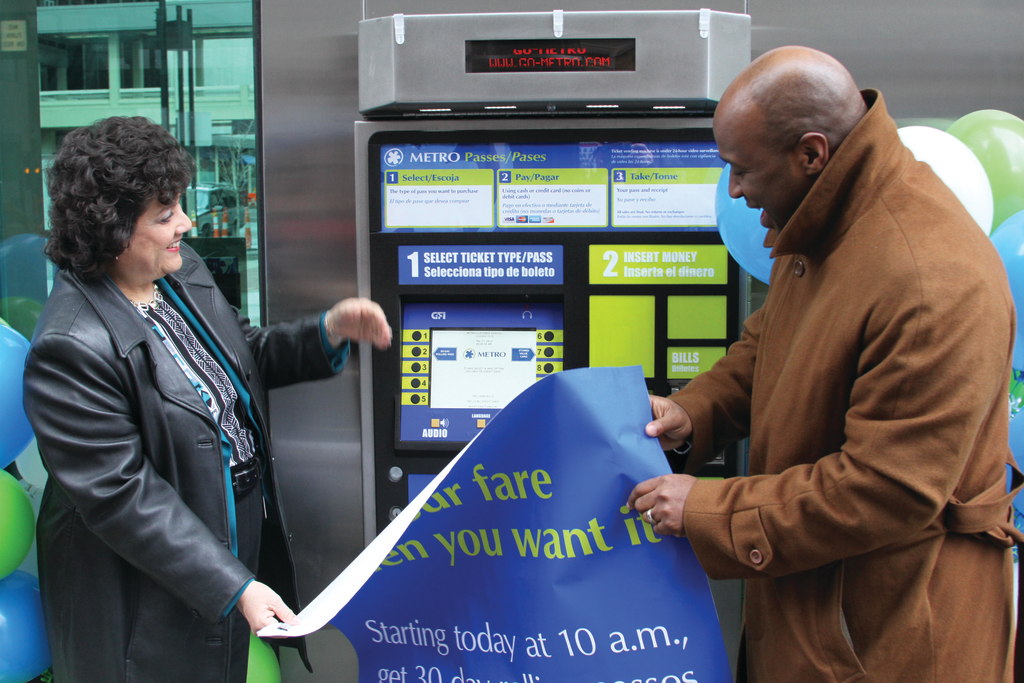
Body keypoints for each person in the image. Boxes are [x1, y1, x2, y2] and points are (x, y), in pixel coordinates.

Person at [628, 47, 1021, 681]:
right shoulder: (826, 208)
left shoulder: (932, 279)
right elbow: (769, 347)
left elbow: (884, 490)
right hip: (823, 616)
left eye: (741, 169)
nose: (734, 190)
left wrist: (706, 510)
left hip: (889, 641)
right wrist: (692, 413)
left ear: (811, 153)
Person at [23, 116, 392, 683]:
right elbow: (122, 496)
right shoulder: (69, 345)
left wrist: (327, 332)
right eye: (164, 214)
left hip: (216, 550)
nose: (186, 223)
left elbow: (238, 356)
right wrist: (233, 585)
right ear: (111, 230)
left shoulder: (179, 271)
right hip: (143, 592)